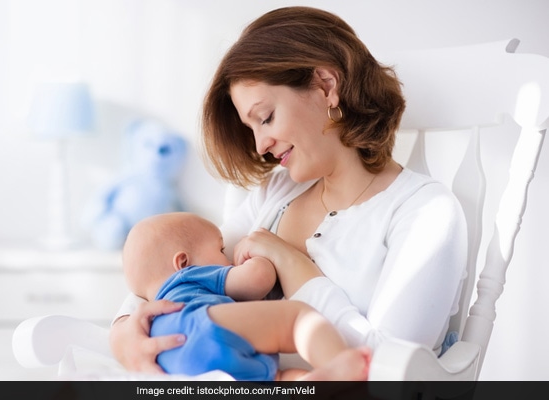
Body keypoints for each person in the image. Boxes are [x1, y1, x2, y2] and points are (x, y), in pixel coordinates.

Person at [109, 6, 468, 375]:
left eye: (265, 118)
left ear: (327, 87)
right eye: (251, 128)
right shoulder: (276, 192)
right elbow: (175, 270)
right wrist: (123, 332)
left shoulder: (425, 212)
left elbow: (391, 368)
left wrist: (293, 264)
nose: (261, 144)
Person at [122, 211, 370, 381]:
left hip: (171, 363)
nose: (227, 257)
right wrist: (257, 258)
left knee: (276, 377)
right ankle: (338, 365)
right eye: (221, 249)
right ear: (183, 262)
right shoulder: (189, 277)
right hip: (199, 326)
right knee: (295, 319)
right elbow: (259, 279)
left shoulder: (153, 316)